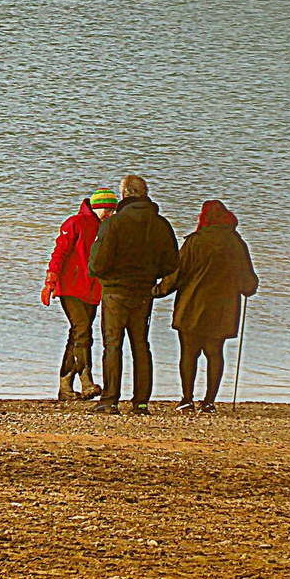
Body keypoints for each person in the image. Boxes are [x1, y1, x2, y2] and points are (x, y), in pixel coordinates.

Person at [87, 174, 180, 415]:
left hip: (115, 291)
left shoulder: (113, 224)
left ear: (124, 194)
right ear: (145, 193)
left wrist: (109, 275)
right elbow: (171, 264)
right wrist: (151, 274)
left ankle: (110, 400)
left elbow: (96, 264)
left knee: (113, 345)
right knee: (141, 346)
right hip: (143, 291)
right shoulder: (161, 224)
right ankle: (140, 403)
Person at [153, 200, 259, 412]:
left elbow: (176, 275)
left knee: (188, 354)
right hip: (222, 310)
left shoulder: (194, 242)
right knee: (215, 352)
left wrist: (155, 292)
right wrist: (246, 287)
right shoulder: (237, 244)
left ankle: (186, 399)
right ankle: (209, 401)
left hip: (191, 307)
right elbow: (249, 284)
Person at [42, 187, 119, 400]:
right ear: (97, 207)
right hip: (71, 288)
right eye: (108, 210)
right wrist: (51, 280)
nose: (111, 214)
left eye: (113, 211)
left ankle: (65, 386)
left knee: (77, 335)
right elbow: (60, 252)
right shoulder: (75, 223)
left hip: (93, 291)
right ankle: (86, 381)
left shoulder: (108, 228)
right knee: (82, 331)